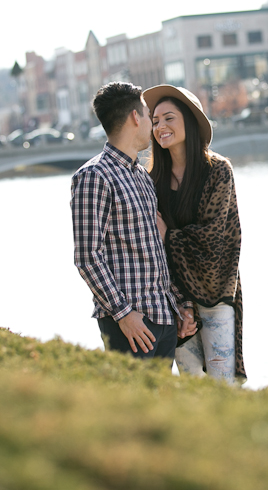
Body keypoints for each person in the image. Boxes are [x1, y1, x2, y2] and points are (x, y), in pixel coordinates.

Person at [70, 81, 191, 362]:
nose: (152, 123)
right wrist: (124, 314)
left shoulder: (141, 177)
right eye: (149, 115)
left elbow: (156, 251)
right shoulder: (94, 176)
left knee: (161, 404)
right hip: (129, 324)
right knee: (133, 404)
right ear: (136, 118)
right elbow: (87, 257)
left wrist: (181, 306)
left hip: (164, 318)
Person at [142, 84, 246, 382]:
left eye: (169, 118)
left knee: (221, 385)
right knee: (192, 386)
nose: (160, 126)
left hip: (216, 296)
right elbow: (149, 249)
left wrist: (167, 236)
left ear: (189, 120)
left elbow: (212, 242)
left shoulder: (217, 171)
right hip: (175, 300)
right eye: (155, 120)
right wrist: (180, 303)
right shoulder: (151, 181)